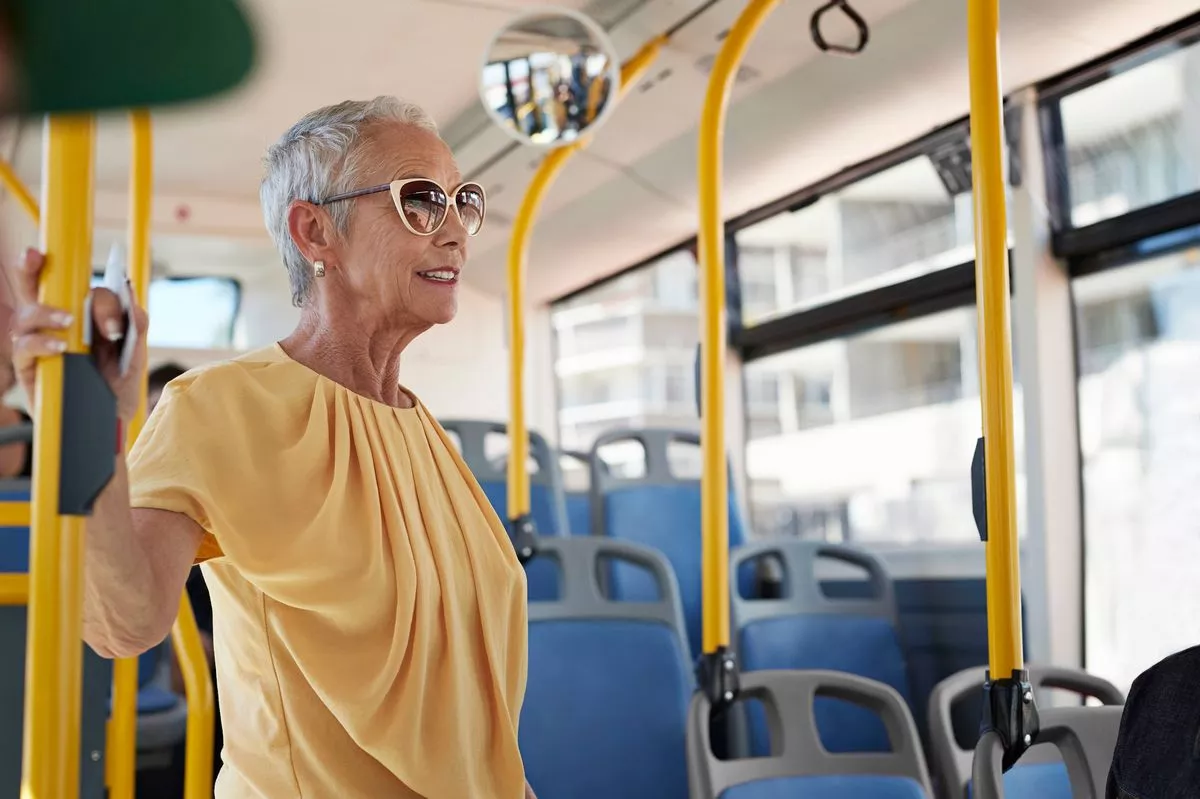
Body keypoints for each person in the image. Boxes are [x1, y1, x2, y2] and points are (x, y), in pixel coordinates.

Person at [13, 96, 536, 799]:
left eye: (461, 202)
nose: (455, 233)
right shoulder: (220, 406)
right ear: (315, 230)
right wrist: (84, 425)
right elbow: (122, 624)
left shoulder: (427, 433)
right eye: (420, 200)